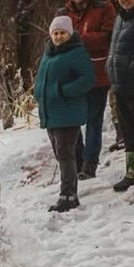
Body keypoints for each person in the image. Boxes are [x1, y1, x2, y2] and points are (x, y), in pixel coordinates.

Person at [56, 0, 116, 180]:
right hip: (71, 76)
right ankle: (78, 158)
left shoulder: (104, 7)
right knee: (73, 119)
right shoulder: (64, 12)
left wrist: (79, 38)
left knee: (93, 120)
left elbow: (109, 38)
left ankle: (90, 164)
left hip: (96, 73)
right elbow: (55, 39)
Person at [34, 16, 94, 212]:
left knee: (65, 154)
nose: (58, 37)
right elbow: (41, 79)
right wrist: (37, 92)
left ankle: (68, 195)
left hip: (68, 112)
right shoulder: (48, 54)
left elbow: (87, 79)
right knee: (61, 154)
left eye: (62, 33)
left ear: (69, 34)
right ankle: (67, 191)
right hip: (51, 113)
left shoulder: (76, 53)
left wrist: (63, 91)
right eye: (55, 33)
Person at [106, 0, 134, 191]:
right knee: (129, 132)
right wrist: (109, 66)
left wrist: (133, 68)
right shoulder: (120, 18)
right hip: (120, 85)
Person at [105, 0, 125, 152]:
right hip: (111, 59)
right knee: (114, 99)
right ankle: (121, 134)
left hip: (130, 61)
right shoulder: (106, 10)